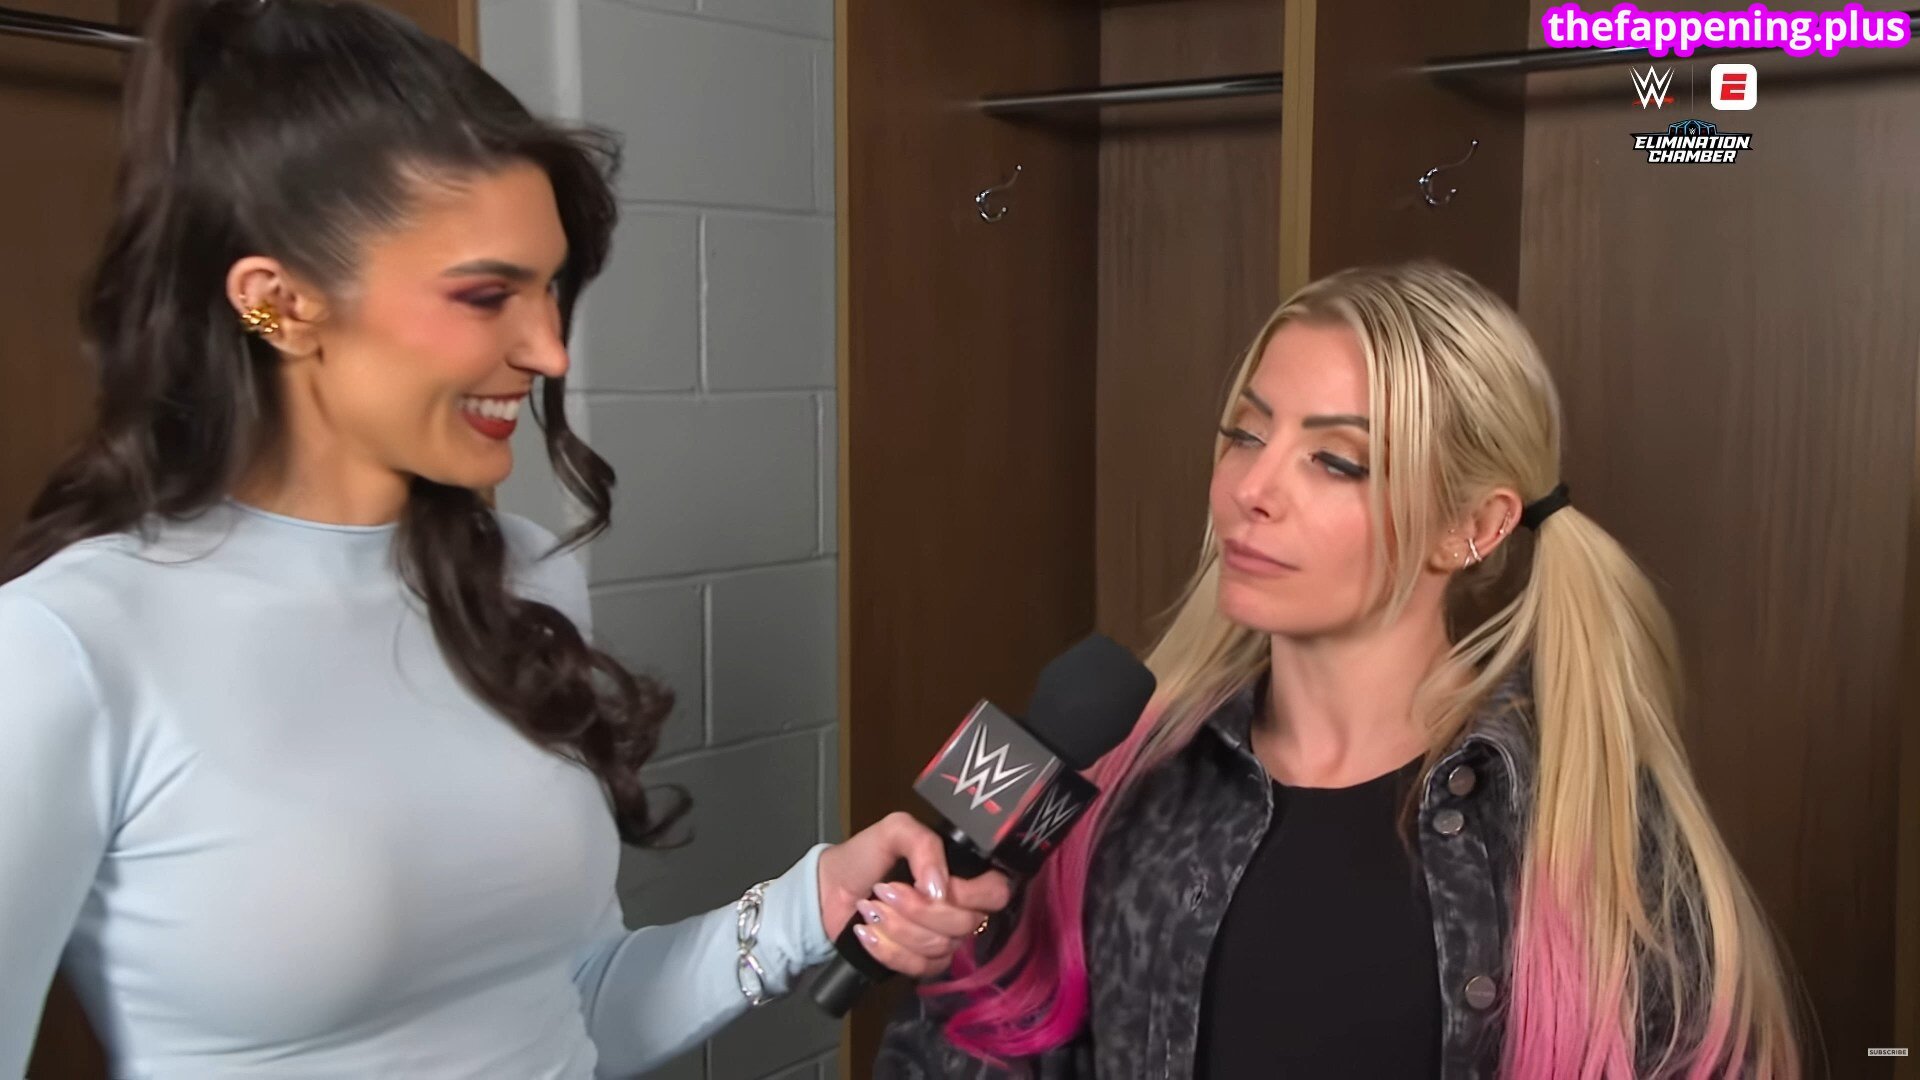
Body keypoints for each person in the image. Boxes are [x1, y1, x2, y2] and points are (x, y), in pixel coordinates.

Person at [0, 1, 1008, 1076]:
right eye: (487, 295)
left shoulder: (521, 579)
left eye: (551, 289)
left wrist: (813, 904)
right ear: (278, 306)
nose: (549, 351)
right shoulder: (66, 650)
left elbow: (570, 1011)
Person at [875, 261, 1803, 1079]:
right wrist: (957, 937)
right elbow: (964, 1043)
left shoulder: (1582, 816)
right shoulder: (1111, 779)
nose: (1251, 491)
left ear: (1473, 528)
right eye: (1246, 435)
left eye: (1335, 461)